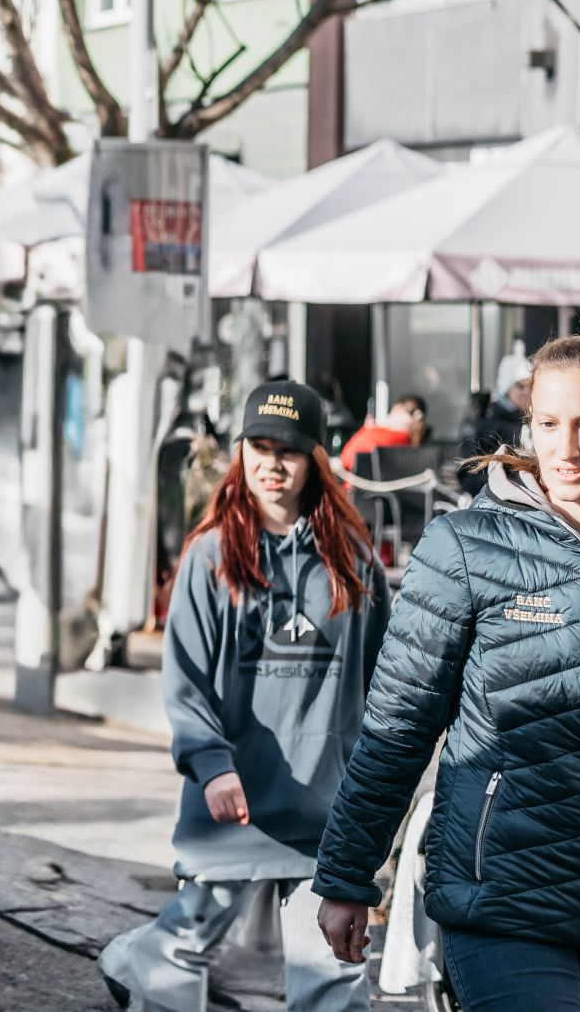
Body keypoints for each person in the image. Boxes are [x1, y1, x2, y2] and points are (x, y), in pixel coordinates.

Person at [315, 322, 580, 1008]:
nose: (565, 449)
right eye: (548, 424)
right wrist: (348, 874)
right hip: (500, 897)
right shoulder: (465, 547)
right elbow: (398, 726)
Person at [100, 380, 388, 1012]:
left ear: (314, 457)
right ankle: (130, 961)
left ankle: (135, 960)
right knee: (182, 953)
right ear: (240, 452)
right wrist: (212, 765)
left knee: (333, 975)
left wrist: (372, 794)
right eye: (259, 447)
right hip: (233, 805)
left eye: (288, 450)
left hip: (325, 818)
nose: (272, 464)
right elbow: (185, 682)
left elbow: (381, 687)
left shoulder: (353, 562)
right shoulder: (210, 558)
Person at [457, 351, 534, 497]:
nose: (526, 392)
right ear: (506, 388)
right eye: (520, 386)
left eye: (529, 386)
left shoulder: (536, 420)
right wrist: (505, 487)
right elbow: (470, 475)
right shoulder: (488, 425)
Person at [335, 394, 428, 466]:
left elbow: (346, 459)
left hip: (359, 485)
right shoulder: (415, 442)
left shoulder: (374, 435)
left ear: (398, 408)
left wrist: (369, 429)